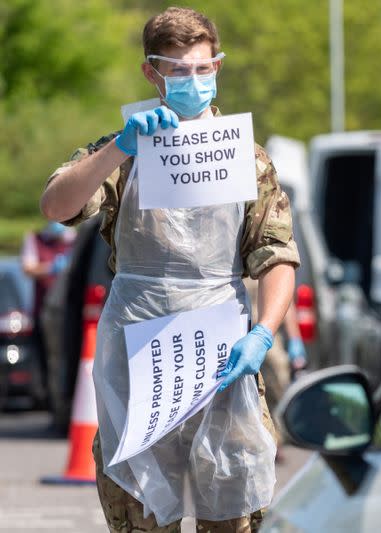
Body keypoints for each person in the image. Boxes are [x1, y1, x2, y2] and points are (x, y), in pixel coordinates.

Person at [39, 7, 299, 532]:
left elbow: (276, 255)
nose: (193, 81)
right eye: (178, 70)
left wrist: (264, 334)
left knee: (233, 514)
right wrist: (119, 147)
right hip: (142, 363)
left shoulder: (244, 158)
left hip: (221, 358)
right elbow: (57, 205)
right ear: (151, 73)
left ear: (219, 65)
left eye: (203, 69)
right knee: (139, 509)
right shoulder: (126, 152)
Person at [20, 221, 76, 404]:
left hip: (70, 312)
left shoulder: (74, 239)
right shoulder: (35, 239)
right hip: (45, 311)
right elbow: (28, 268)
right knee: (51, 361)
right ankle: (53, 402)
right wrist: (51, 267)